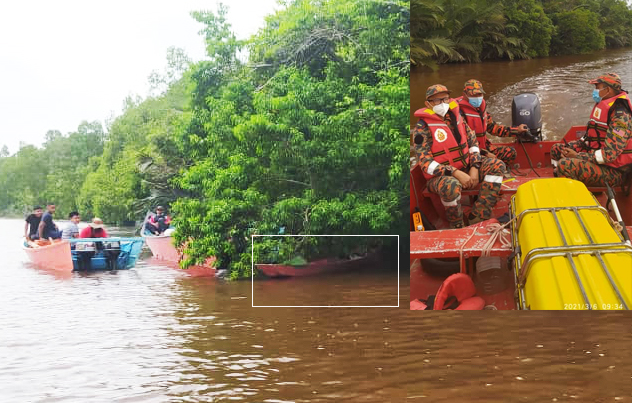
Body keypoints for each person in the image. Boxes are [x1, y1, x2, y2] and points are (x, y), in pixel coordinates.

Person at [412, 84, 506, 228]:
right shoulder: (422, 128)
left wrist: (474, 167)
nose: (443, 104)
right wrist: (454, 172)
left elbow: (473, 143)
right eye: (437, 101)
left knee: (497, 165)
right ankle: (457, 223)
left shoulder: (457, 118)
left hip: (466, 166)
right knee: (451, 186)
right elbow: (426, 164)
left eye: (445, 99)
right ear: (428, 104)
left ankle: (479, 214)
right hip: (441, 176)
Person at [551, 73, 632, 187]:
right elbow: (590, 137)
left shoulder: (620, 116)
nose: (595, 91)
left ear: (608, 89)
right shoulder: (604, 106)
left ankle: (575, 200)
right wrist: (571, 149)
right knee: (557, 149)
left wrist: (577, 156)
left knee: (566, 164)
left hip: (615, 171)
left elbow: (608, 155)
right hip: (597, 160)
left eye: (597, 87)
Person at [456, 79, 532, 169]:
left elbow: (493, 128)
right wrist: (485, 154)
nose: (478, 97)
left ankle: (497, 172)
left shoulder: (481, 109)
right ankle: (486, 174)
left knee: (510, 152)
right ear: (464, 94)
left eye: (480, 94)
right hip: (470, 154)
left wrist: (516, 130)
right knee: (495, 164)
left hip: (484, 148)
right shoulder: (458, 114)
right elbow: (461, 143)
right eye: (474, 95)